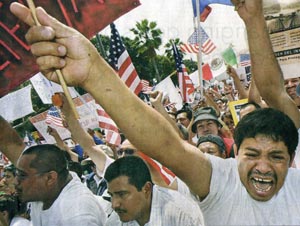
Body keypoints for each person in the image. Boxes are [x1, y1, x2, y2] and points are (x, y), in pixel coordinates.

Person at [8, 1, 300, 224]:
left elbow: (275, 92)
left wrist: (254, 19)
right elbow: (165, 145)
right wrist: (93, 72)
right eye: (251, 154)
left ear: (292, 159)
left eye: (276, 157)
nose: (262, 167)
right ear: (235, 151)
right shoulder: (221, 181)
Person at [104, 156, 204, 226]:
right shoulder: (115, 221)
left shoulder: (182, 214)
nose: (114, 205)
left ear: (146, 189)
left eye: (122, 194)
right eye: (111, 195)